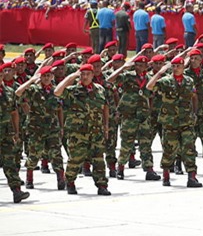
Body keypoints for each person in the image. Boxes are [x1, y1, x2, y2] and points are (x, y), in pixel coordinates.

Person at [54, 64, 112, 196]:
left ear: (93, 75)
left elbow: (105, 107)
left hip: (96, 132)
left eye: (88, 74)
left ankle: (102, 185)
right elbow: (57, 92)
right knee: (75, 159)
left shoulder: (100, 90)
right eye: (82, 74)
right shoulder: (73, 90)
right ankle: (70, 182)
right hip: (78, 133)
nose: (85, 77)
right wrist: (71, 77)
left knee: (98, 160)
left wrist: (106, 125)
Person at [146, 56, 203, 187]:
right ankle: (166, 176)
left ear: (183, 67)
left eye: (179, 66)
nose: (176, 69)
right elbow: (149, 86)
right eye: (174, 66)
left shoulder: (189, 81)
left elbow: (194, 96)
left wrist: (194, 112)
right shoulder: (165, 81)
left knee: (189, 149)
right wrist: (160, 72)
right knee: (169, 150)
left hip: (186, 121)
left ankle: (192, 177)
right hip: (170, 122)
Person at [107, 55, 158, 180]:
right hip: (129, 115)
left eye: (143, 65)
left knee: (145, 144)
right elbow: (110, 79)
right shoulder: (128, 77)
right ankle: (121, 167)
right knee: (126, 144)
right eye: (138, 65)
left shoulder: (149, 79)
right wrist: (123, 68)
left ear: (147, 66)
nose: (140, 68)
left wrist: (149, 111)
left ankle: (149, 169)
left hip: (143, 116)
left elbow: (151, 97)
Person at [16, 65, 66, 190]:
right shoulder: (34, 90)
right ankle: (29, 178)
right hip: (36, 128)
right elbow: (18, 93)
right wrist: (32, 80)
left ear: (52, 77)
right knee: (34, 154)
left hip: (52, 128)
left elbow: (60, 110)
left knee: (56, 154)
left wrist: (61, 126)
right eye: (44, 76)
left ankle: (61, 178)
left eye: (49, 76)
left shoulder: (56, 91)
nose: (46, 78)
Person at [0, 63, 30, 203]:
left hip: (6, 133)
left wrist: (16, 131)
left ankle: (16, 191)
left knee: (9, 162)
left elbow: (14, 113)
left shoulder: (9, 92)